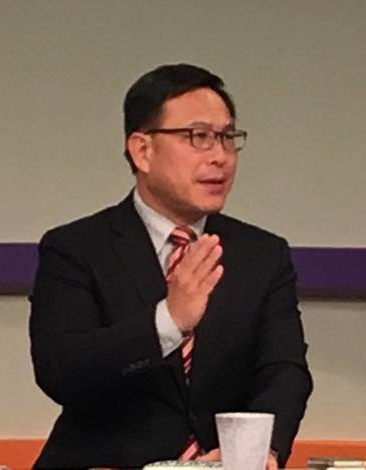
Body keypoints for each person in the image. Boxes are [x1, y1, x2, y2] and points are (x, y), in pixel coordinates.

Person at [29, 63, 313, 469]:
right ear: (142, 150)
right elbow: (62, 371)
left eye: (227, 137)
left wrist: (260, 449)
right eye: (199, 137)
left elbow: (284, 370)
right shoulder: (75, 249)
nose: (220, 157)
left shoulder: (262, 255)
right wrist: (169, 321)